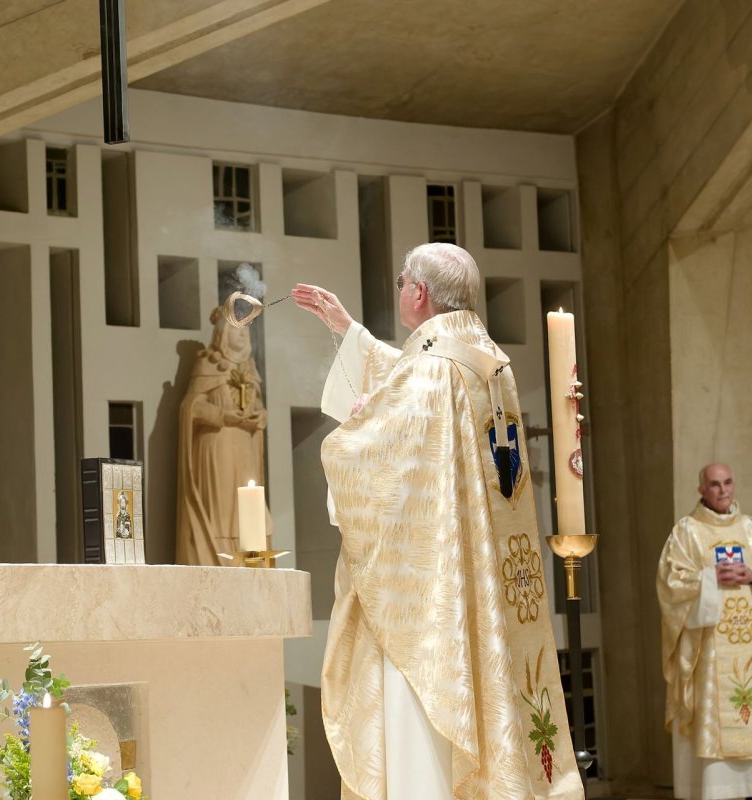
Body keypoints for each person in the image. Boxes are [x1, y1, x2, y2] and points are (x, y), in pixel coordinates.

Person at [292, 243, 582, 800]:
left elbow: (383, 454)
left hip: (429, 589)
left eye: (404, 281)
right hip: (485, 568)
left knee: (419, 709)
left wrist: (362, 424)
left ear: (419, 292)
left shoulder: (433, 368)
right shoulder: (483, 358)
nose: (401, 288)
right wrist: (350, 332)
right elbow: (411, 382)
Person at [657, 463, 752, 800]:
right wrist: (709, 578)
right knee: (715, 714)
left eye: (728, 482)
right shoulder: (687, 531)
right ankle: (717, 791)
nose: (723, 490)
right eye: (715, 485)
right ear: (702, 490)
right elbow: (671, 582)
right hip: (711, 649)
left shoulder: (751, 529)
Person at [175, 306, 269, 565]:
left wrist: (260, 416)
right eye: (237, 328)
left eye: (246, 328)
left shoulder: (250, 368)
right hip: (218, 445)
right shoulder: (208, 363)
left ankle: (249, 561)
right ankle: (220, 561)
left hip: (245, 446)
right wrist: (222, 416)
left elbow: (257, 405)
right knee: (222, 510)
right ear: (223, 331)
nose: (243, 334)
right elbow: (191, 407)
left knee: (246, 511)